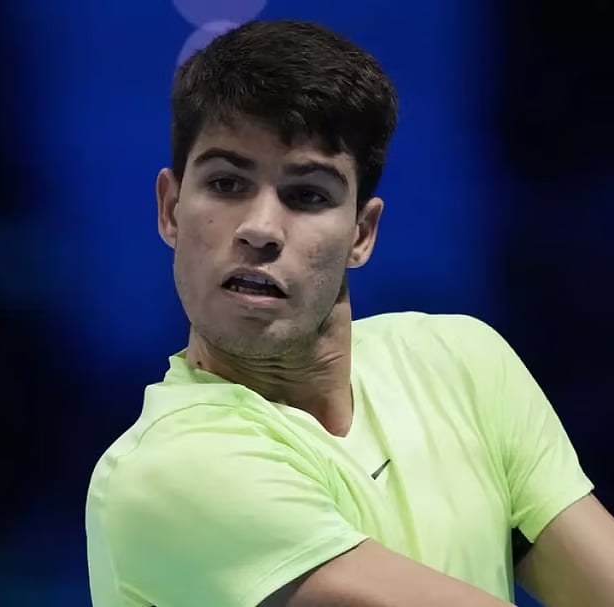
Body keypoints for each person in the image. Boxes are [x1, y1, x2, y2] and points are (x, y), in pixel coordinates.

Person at [84, 19, 614, 607]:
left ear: (362, 234)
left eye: (307, 195)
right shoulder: (165, 473)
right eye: (227, 183)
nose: (260, 229)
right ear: (170, 210)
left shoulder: (460, 362)